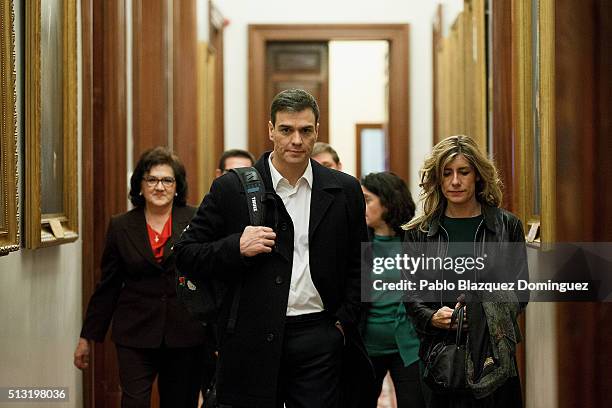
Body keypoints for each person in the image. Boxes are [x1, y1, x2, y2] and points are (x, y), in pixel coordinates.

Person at [174, 88, 372, 408]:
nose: (296, 140)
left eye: (305, 130)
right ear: (271, 130)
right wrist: (235, 246)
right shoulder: (232, 188)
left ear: (316, 132)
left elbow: (360, 262)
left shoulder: (344, 190)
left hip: (318, 335)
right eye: (286, 130)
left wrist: (343, 322)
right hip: (250, 337)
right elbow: (185, 252)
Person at [74, 147, 212, 408]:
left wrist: (215, 332)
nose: (159, 187)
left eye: (167, 180)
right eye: (152, 180)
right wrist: (87, 336)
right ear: (140, 185)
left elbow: (209, 278)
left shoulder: (196, 220)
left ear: (177, 186)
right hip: (135, 333)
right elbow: (109, 286)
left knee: (180, 402)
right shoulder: (121, 226)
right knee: (134, 402)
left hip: (185, 333)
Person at [403, 135, 528, 408]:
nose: (455, 181)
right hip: (441, 356)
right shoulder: (419, 233)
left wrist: (480, 311)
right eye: (446, 173)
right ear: (437, 179)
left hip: (494, 355)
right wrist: (432, 317)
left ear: (478, 176)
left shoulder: (507, 226)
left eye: (463, 172)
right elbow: (410, 294)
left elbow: (521, 292)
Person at [360, 172, 425, 408]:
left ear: (387, 202)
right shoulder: (358, 241)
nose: (362, 206)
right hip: (366, 347)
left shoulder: (417, 241)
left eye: (367, 200)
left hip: (408, 348)